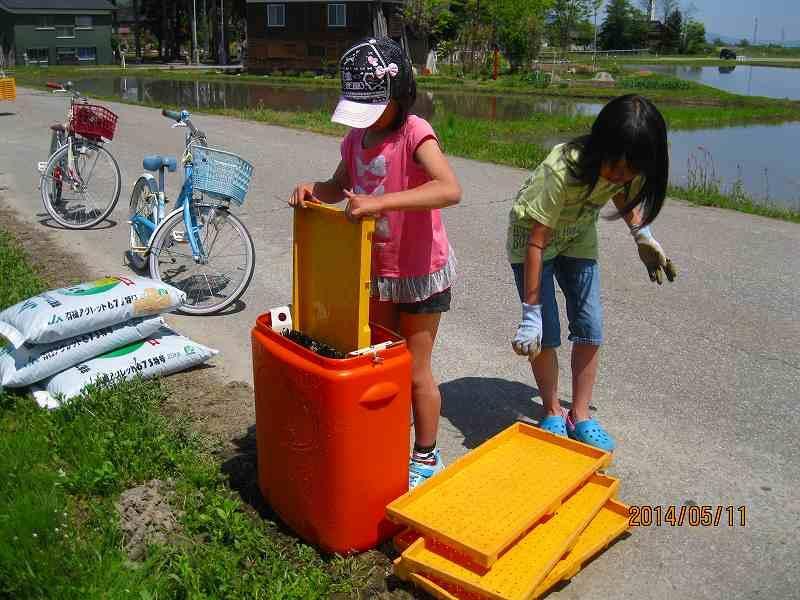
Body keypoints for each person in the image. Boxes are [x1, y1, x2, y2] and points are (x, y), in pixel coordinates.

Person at [289, 37, 461, 488]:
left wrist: (382, 204)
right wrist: (314, 189)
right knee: (381, 362)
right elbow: (337, 185)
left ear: (399, 93)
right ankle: (387, 439)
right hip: (377, 274)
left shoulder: (414, 133)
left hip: (420, 274)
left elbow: (448, 189)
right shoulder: (355, 139)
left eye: (375, 106)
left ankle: (427, 455)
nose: (367, 118)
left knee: (415, 368)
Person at [507, 94, 677, 451]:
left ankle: (579, 414)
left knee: (590, 324)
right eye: (614, 167)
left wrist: (640, 233)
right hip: (533, 238)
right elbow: (537, 243)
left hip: (577, 233)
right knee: (545, 333)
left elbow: (619, 194)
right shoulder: (562, 169)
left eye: (628, 171)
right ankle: (553, 410)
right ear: (601, 146)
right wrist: (531, 312)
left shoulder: (629, 163)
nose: (620, 176)